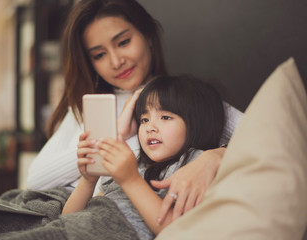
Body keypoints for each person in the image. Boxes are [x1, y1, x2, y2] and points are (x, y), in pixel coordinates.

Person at [27, 0, 242, 224]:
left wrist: (213, 158)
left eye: (124, 42)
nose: (116, 61)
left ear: (148, 36)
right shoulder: (88, 104)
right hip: (71, 208)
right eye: (99, 55)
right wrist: (112, 139)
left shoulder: (183, 97)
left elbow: (265, 136)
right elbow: (35, 180)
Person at [62, 75, 226, 239]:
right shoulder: (132, 164)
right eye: (144, 119)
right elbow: (68, 220)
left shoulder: (195, 166)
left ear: (197, 124)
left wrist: (130, 180)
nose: (150, 127)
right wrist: (88, 181)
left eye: (165, 117)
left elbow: (175, 231)